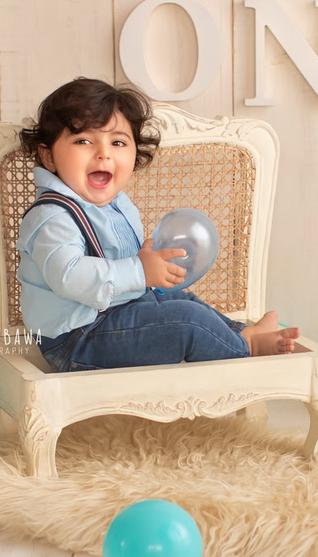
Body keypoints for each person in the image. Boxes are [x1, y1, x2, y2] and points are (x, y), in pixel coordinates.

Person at [16, 77, 300, 372]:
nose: (104, 153)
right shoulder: (52, 216)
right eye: (83, 141)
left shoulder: (114, 203)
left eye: (117, 142)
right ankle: (245, 349)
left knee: (179, 299)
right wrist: (139, 270)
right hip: (77, 340)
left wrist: (151, 268)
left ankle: (242, 333)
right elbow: (68, 275)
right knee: (185, 321)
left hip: (114, 316)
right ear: (49, 157)